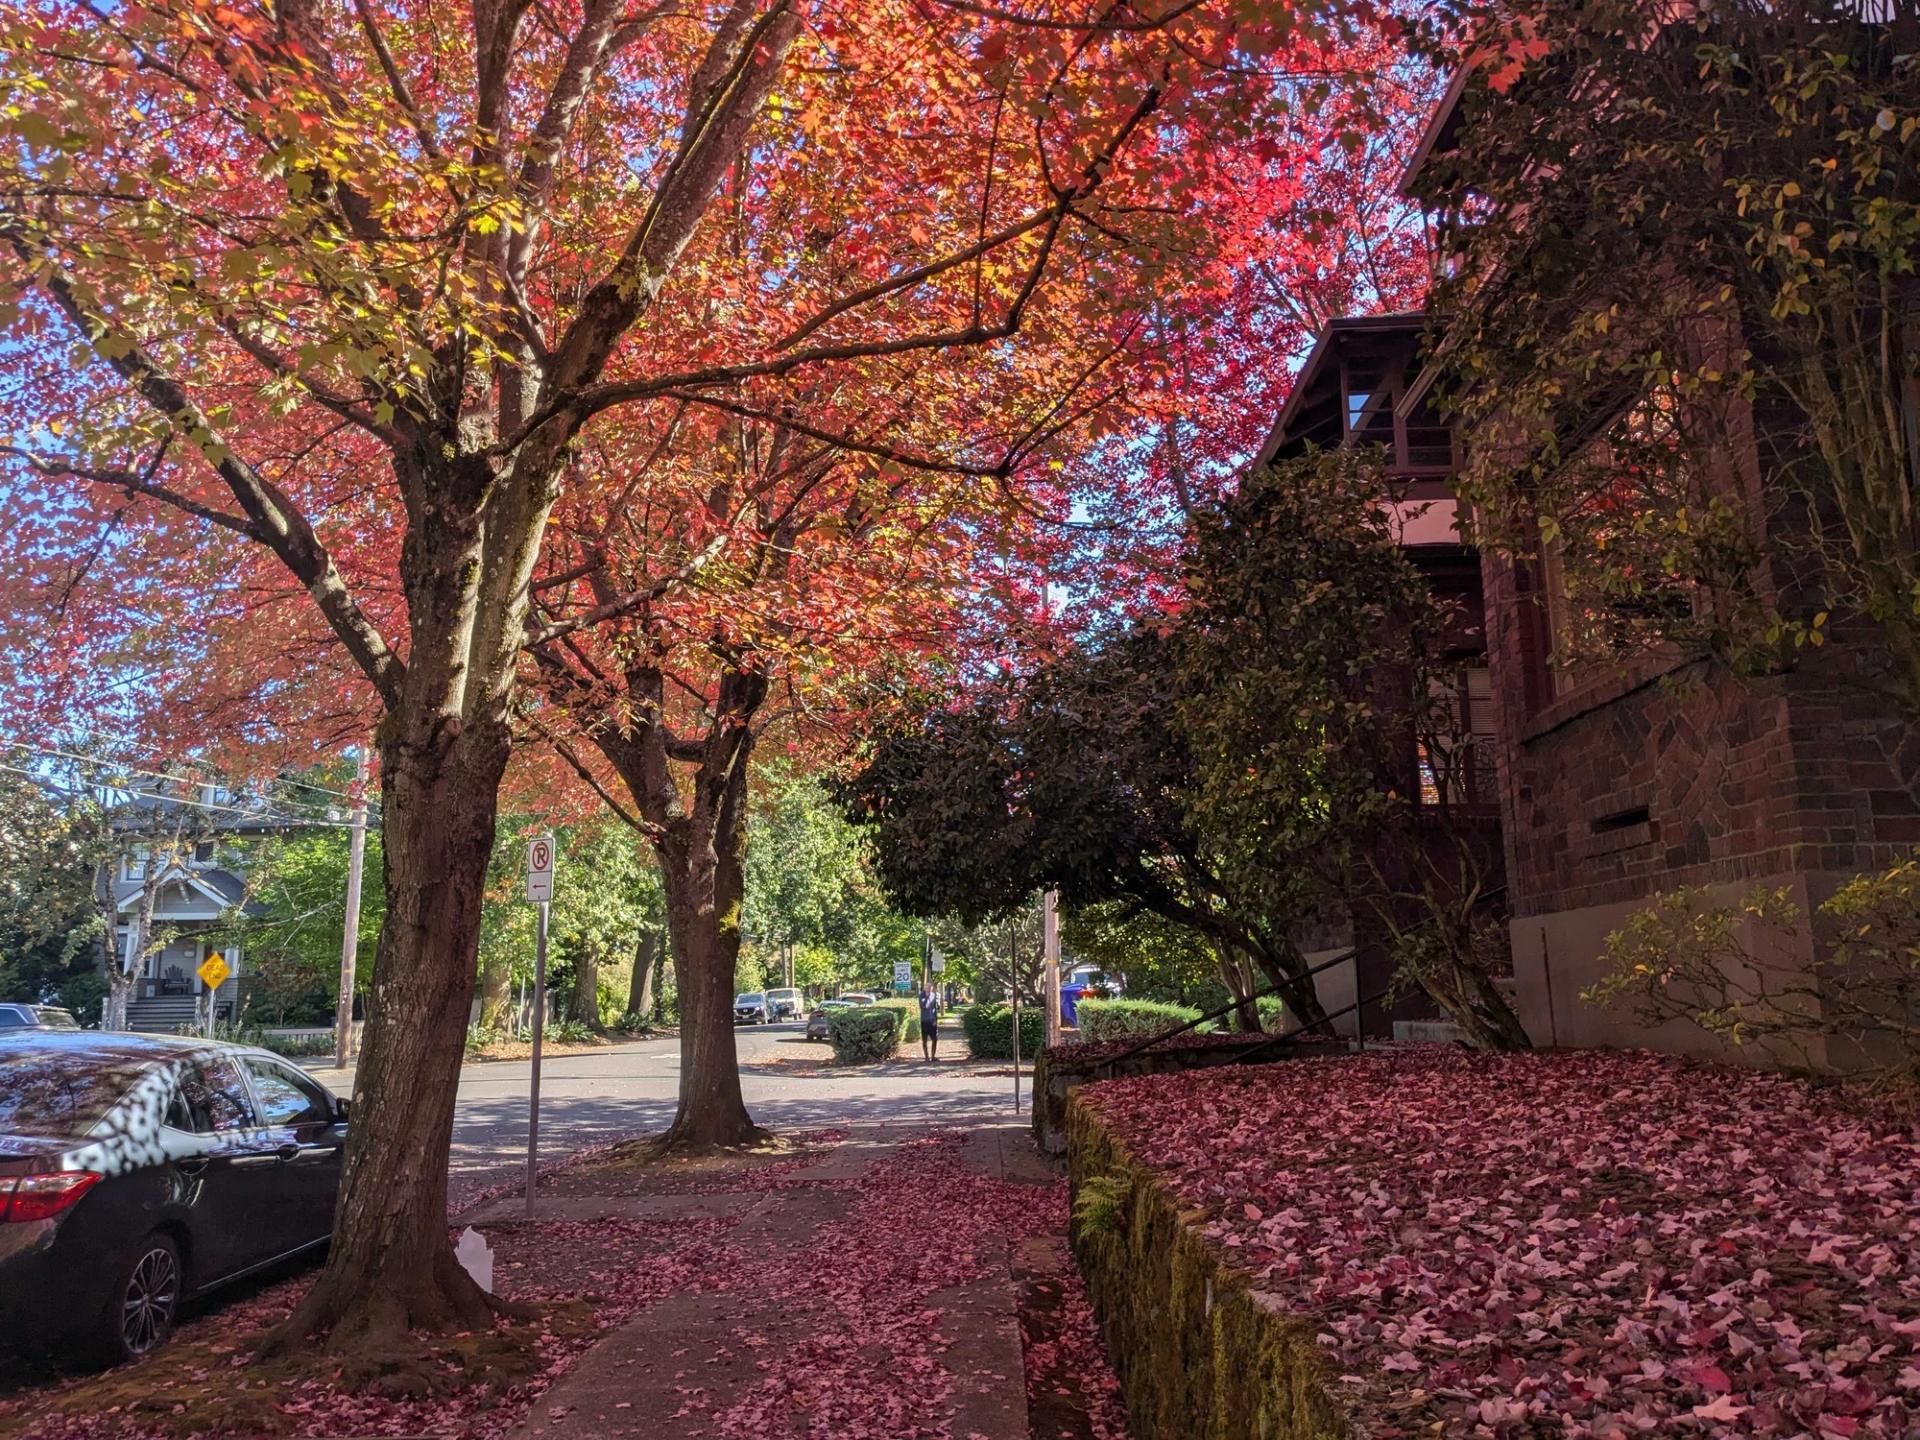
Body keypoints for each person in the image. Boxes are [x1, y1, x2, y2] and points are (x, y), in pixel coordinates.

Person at [918, 985, 941, 1061]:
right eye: (927, 988)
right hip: (924, 1020)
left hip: (932, 1021)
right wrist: (927, 997)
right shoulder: (921, 995)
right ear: (924, 988)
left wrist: (935, 1020)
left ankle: (933, 1056)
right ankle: (926, 1057)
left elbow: (935, 1008)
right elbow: (922, 1006)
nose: (929, 990)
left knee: (935, 1039)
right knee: (924, 1040)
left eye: (930, 988)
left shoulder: (934, 995)